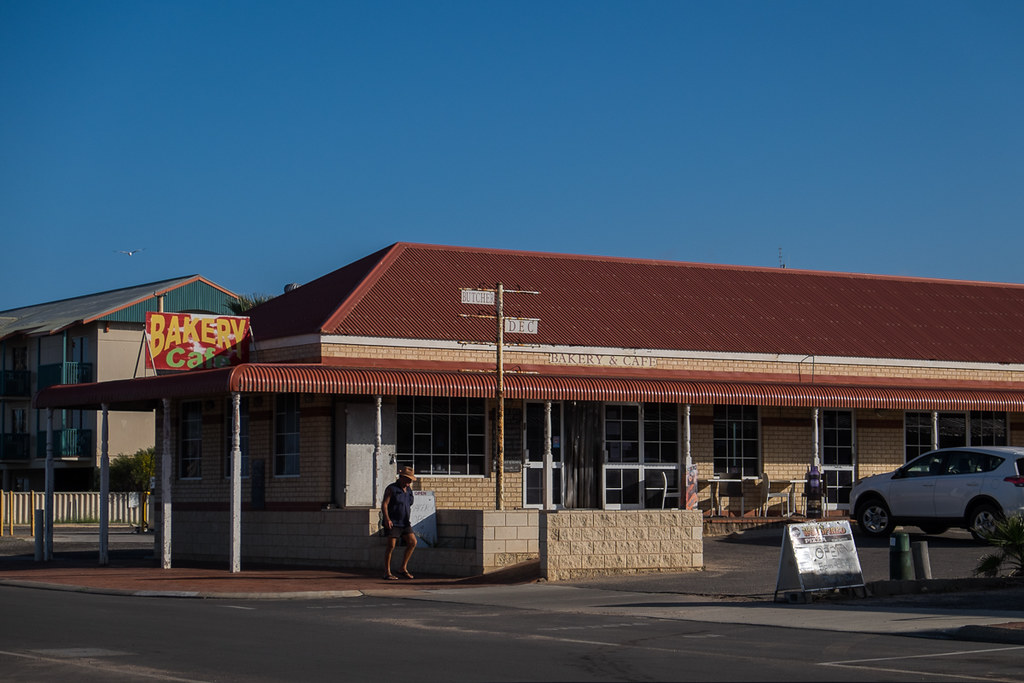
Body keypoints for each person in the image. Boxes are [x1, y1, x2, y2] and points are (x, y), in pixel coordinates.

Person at [381, 466, 417, 580]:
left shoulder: (409, 490)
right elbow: (385, 504)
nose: (409, 482)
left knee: (412, 542)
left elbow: (410, 503)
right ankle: (387, 572)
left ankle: (403, 568)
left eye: (411, 480)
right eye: (408, 479)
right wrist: (387, 519)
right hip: (393, 522)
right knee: (391, 546)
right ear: (402, 477)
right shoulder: (391, 489)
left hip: (405, 522)